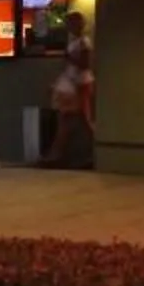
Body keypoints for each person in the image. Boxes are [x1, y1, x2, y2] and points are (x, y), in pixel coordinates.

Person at [43, 9, 97, 169]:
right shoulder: (74, 42)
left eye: (71, 23)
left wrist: (70, 58)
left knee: (84, 120)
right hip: (72, 85)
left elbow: (85, 65)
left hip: (80, 85)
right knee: (66, 120)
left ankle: (94, 153)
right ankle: (57, 154)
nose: (69, 27)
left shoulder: (83, 42)